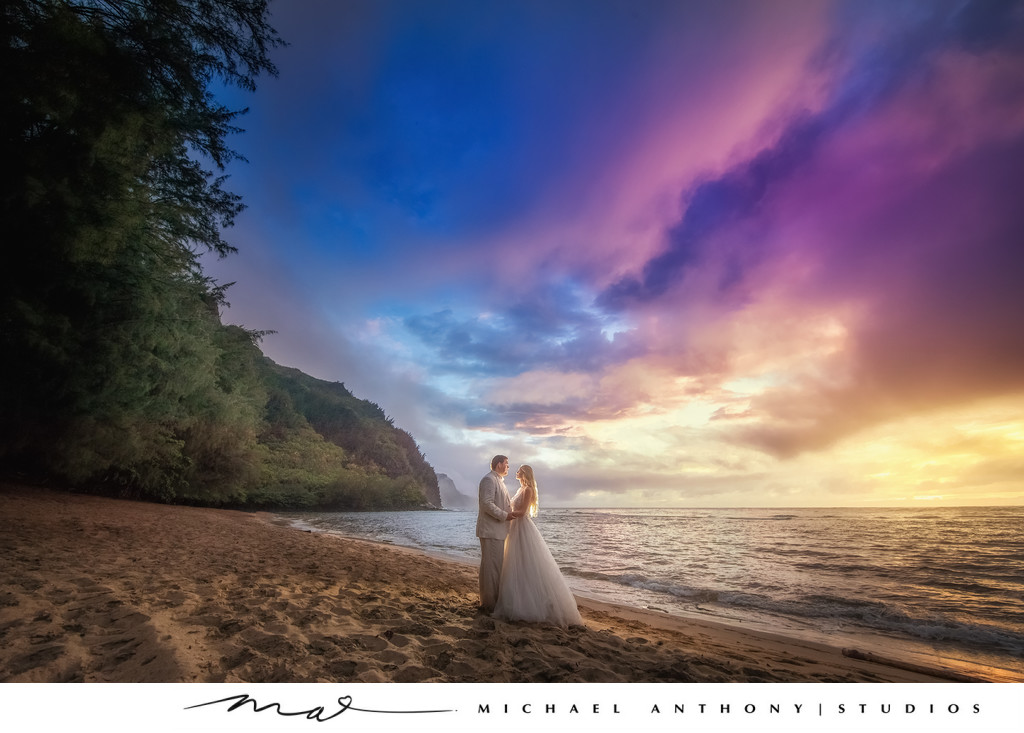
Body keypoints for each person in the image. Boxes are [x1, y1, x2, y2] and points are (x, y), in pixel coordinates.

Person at [493, 465, 582, 627]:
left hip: (522, 526)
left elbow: (522, 512)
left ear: (525, 474)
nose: (516, 472)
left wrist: (505, 515)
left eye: (519, 470)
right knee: (516, 562)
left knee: (526, 561)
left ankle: (532, 604)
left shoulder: (528, 490)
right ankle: (518, 599)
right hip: (515, 527)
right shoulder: (521, 489)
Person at [476, 455, 521, 612]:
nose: (508, 467)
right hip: (491, 530)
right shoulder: (489, 480)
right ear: (498, 464)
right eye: (506, 464)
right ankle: (489, 604)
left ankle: (490, 602)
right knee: (491, 569)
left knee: (494, 568)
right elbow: (486, 504)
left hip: (497, 531)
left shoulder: (498, 481)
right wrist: (505, 515)